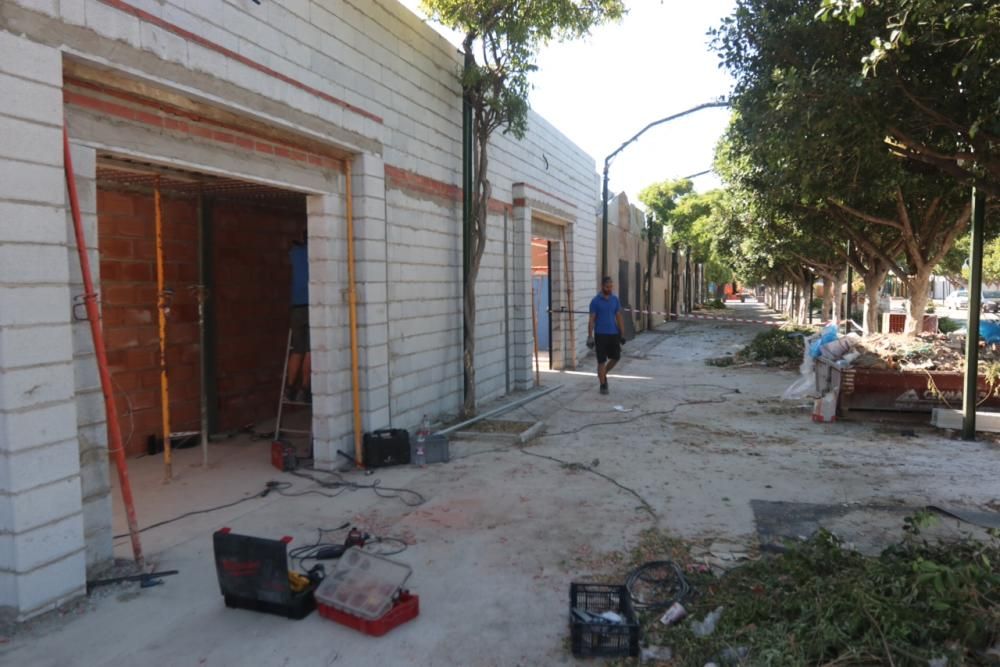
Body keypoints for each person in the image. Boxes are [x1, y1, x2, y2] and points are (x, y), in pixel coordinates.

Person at [587, 276, 626, 395]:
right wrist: (590, 336)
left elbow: (618, 317)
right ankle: (603, 384)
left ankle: (603, 373)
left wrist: (622, 333)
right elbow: (592, 320)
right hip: (600, 335)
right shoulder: (595, 301)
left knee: (616, 358)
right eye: (607, 287)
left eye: (611, 287)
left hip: (613, 334)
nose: (609, 289)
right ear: (602, 286)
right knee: (601, 362)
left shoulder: (615, 300)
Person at [286, 234, 311, 404]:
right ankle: (304, 388)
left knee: (297, 350)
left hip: (296, 308)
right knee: (311, 350)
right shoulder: (314, 253)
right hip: (311, 307)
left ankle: (289, 388)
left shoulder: (295, 252)